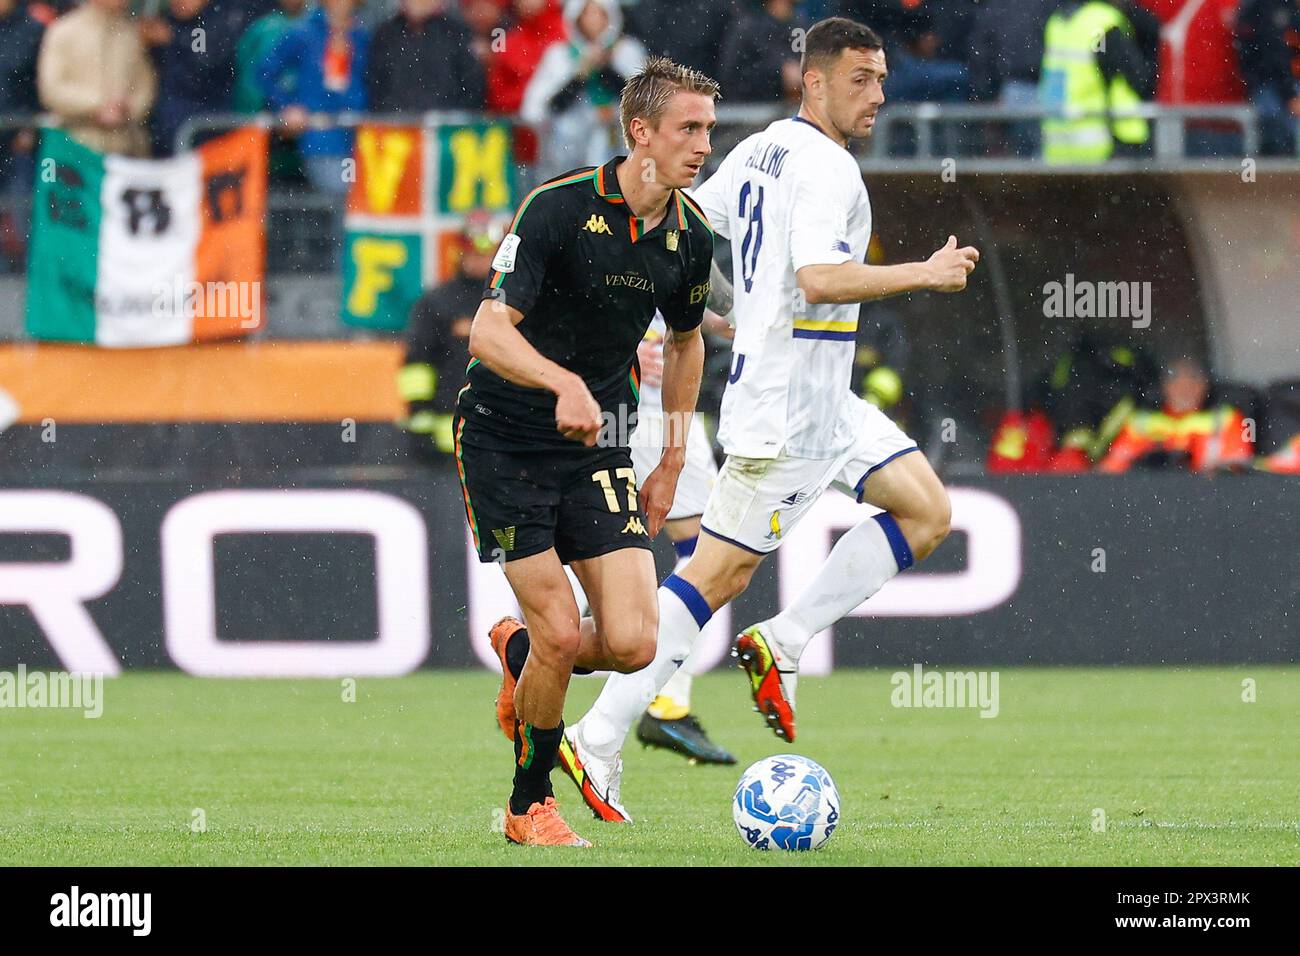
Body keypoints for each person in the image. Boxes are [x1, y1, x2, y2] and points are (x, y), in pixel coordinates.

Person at [558, 17, 979, 822]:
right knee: (713, 578)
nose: (878, 95)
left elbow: (693, 235)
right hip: (784, 410)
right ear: (813, 82)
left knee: (926, 510)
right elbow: (819, 280)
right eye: (861, 79)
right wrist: (923, 273)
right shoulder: (829, 172)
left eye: (882, 79)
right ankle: (599, 735)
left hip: (827, 402)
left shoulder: (754, 150)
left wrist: (728, 308)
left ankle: (783, 641)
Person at [457, 57, 718, 846]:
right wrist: (561, 382)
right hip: (505, 439)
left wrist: (671, 457)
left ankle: (522, 654)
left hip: (602, 446)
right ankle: (527, 804)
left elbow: (686, 341)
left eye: (709, 128)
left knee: (635, 644)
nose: (703, 144)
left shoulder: (690, 237)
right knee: (567, 635)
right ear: (641, 133)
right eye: (689, 128)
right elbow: (487, 329)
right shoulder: (558, 209)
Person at [626, 291, 738, 766]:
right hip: (654, 417)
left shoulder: (644, 230)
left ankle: (527, 656)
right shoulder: (648, 226)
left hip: (634, 413)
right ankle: (667, 704)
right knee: (712, 553)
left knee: (601, 547)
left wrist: (724, 323)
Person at [399, 211, 501, 460]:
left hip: (502, 436)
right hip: (449, 438)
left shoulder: (515, 299)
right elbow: (417, 362)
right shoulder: (438, 302)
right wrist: (420, 415)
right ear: (460, 254)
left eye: (488, 254)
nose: (482, 261)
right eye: (475, 254)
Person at [520, 0, 646, 176]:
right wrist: (579, 77)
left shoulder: (627, 52)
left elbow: (644, 103)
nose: (594, 21)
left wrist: (605, 69)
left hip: (618, 151)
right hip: (569, 155)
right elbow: (537, 110)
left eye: (599, 14)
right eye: (587, 14)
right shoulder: (559, 56)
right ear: (576, 18)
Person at [256, 0, 369, 197]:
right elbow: (264, 71)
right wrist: (286, 106)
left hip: (360, 141)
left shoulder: (362, 37)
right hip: (321, 141)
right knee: (344, 193)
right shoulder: (305, 32)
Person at [37, 0, 157, 157]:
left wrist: (128, 109)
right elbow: (51, 89)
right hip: (74, 145)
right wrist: (97, 105)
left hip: (126, 147)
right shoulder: (63, 31)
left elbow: (146, 86)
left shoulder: (131, 34)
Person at [1040, 0, 1153, 163]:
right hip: (1107, 143)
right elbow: (1138, 77)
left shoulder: (1059, 21)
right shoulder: (1100, 24)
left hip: (1060, 146)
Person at [1098, 358, 1255, 472]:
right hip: (1148, 502)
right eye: (1176, 379)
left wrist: (1190, 462)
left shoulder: (1226, 418)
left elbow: (1236, 468)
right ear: (1164, 386)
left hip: (1204, 501)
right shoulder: (1140, 422)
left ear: (1205, 385)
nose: (1185, 388)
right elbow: (1111, 470)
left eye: (1193, 379)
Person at [141, 0, 256, 155]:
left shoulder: (219, 18)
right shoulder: (165, 20)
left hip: (206, 127)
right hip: (165, 132)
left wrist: (173, 37)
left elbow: (206, 56)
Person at [367, 0, 485, 114]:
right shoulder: (385, 35)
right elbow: (376, 84)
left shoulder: (457, 34)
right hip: (396, 126)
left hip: (446, 126)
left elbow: (472, 86)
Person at [1235, 0, 1300, 156]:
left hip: (1281, 83)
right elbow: (1273, 53)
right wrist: (1290, 95)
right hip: (1270, 84)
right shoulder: (1269, 7)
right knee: (1275, 134)